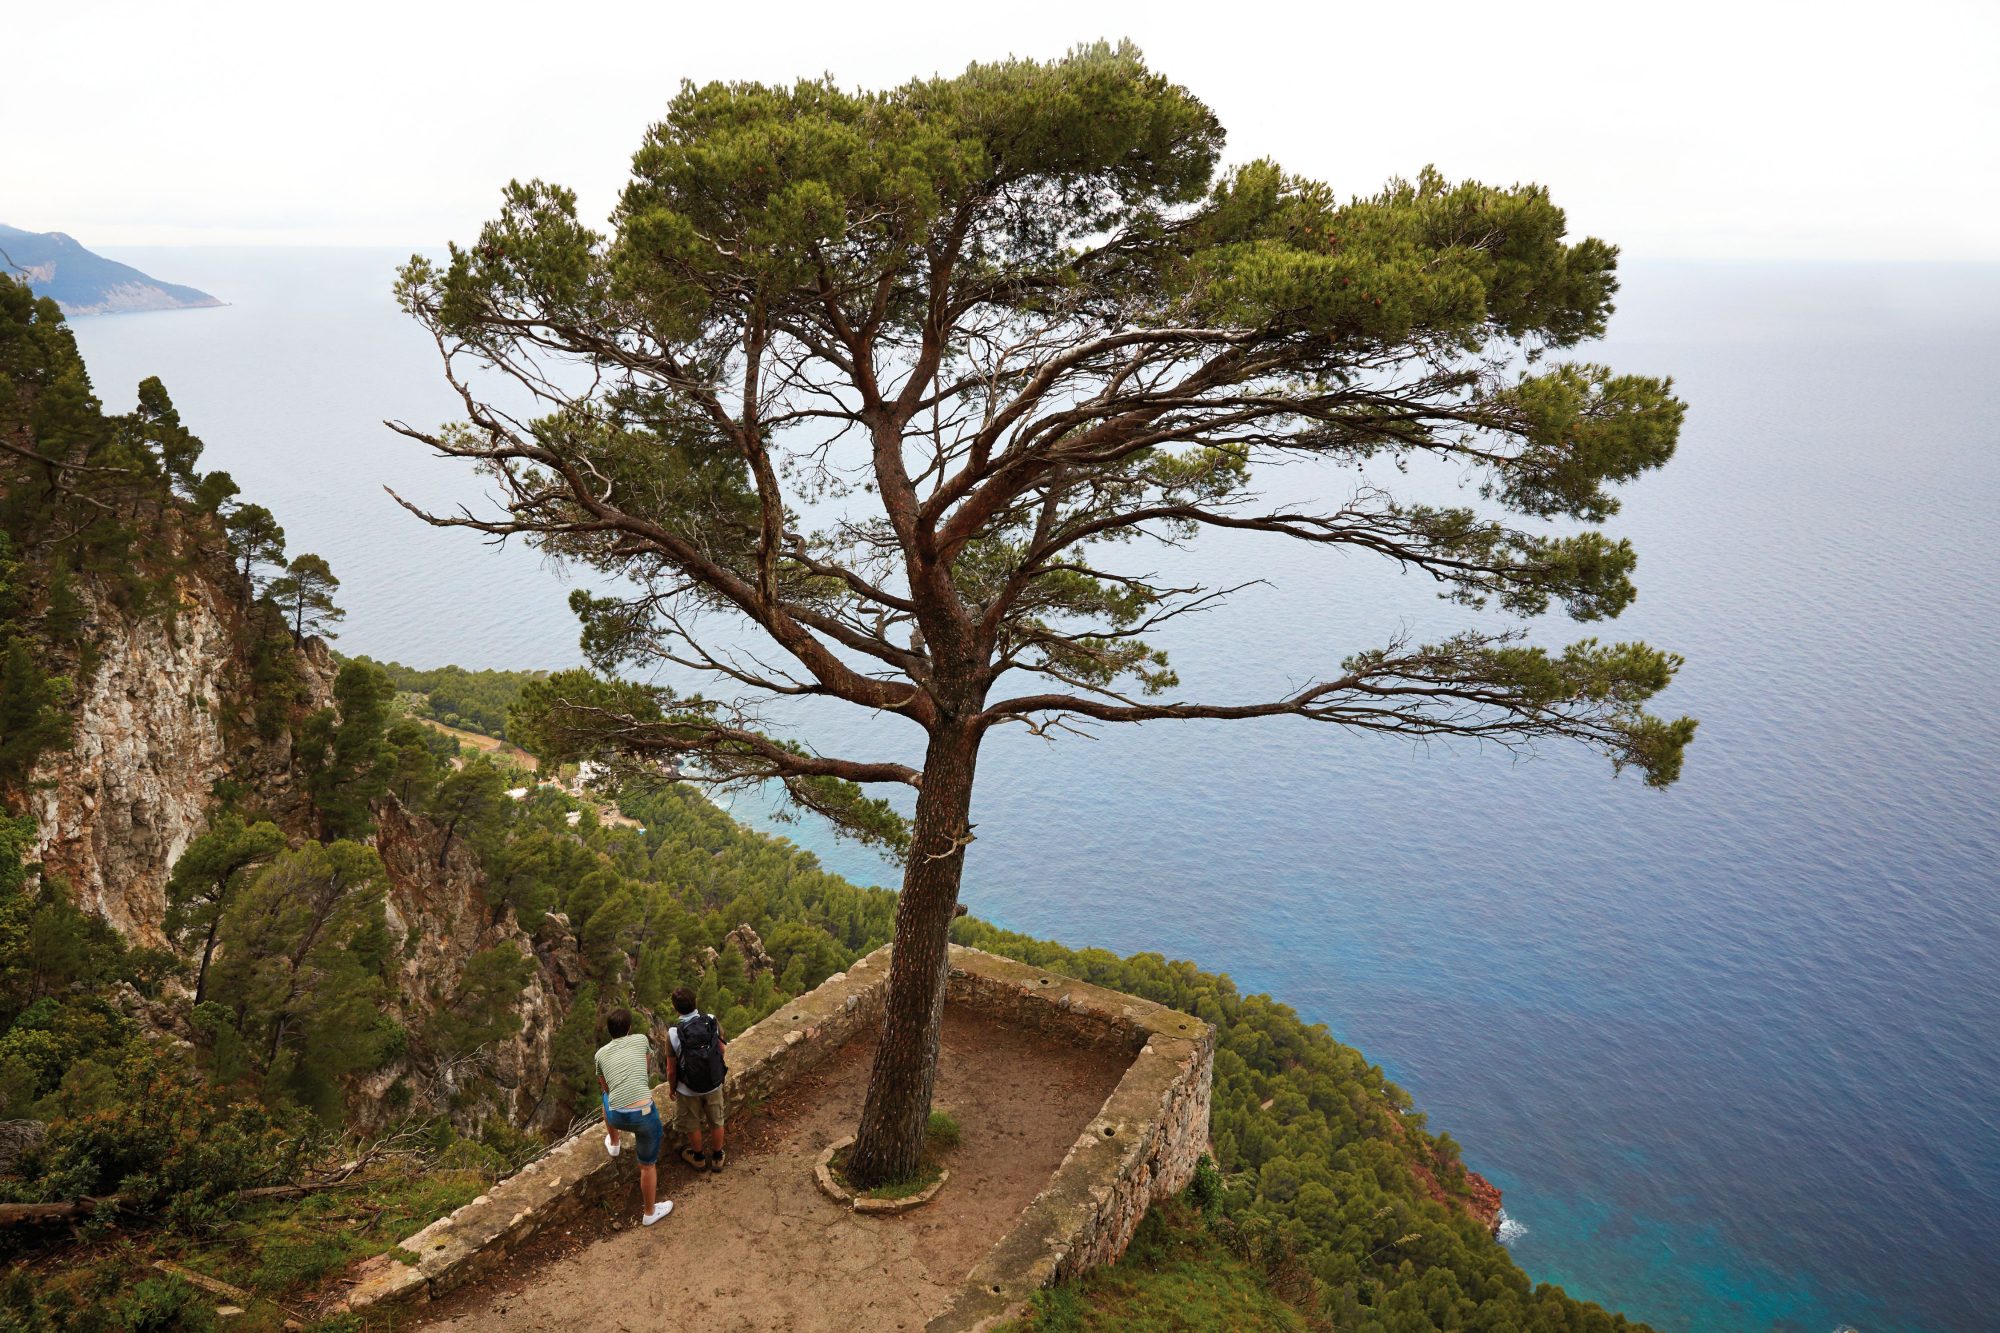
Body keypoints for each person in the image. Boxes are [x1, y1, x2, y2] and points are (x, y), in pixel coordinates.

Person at [594, 1007, 672, 1226]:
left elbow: (605, 1087)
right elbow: (646, 1068)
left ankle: (615, 1142)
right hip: (645, 1116)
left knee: (605, 1098)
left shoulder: (600, 1054)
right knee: (647, 1166)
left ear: (609, 1031)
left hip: (617, 1116)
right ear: (629, 1028)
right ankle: (649, 1212)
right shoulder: (639, 1039)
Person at [666, 986, 728, 1171]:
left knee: (692, 1124)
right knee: (717, 1120)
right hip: (713, 1083)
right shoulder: (711, 1020)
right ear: (695, 1003)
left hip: (688, 1088)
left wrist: (672, 1088)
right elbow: (722, 1049)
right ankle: (718, 1157)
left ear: (675, 1008)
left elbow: (671, 1069)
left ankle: (699, 1158)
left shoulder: (673, 1033)